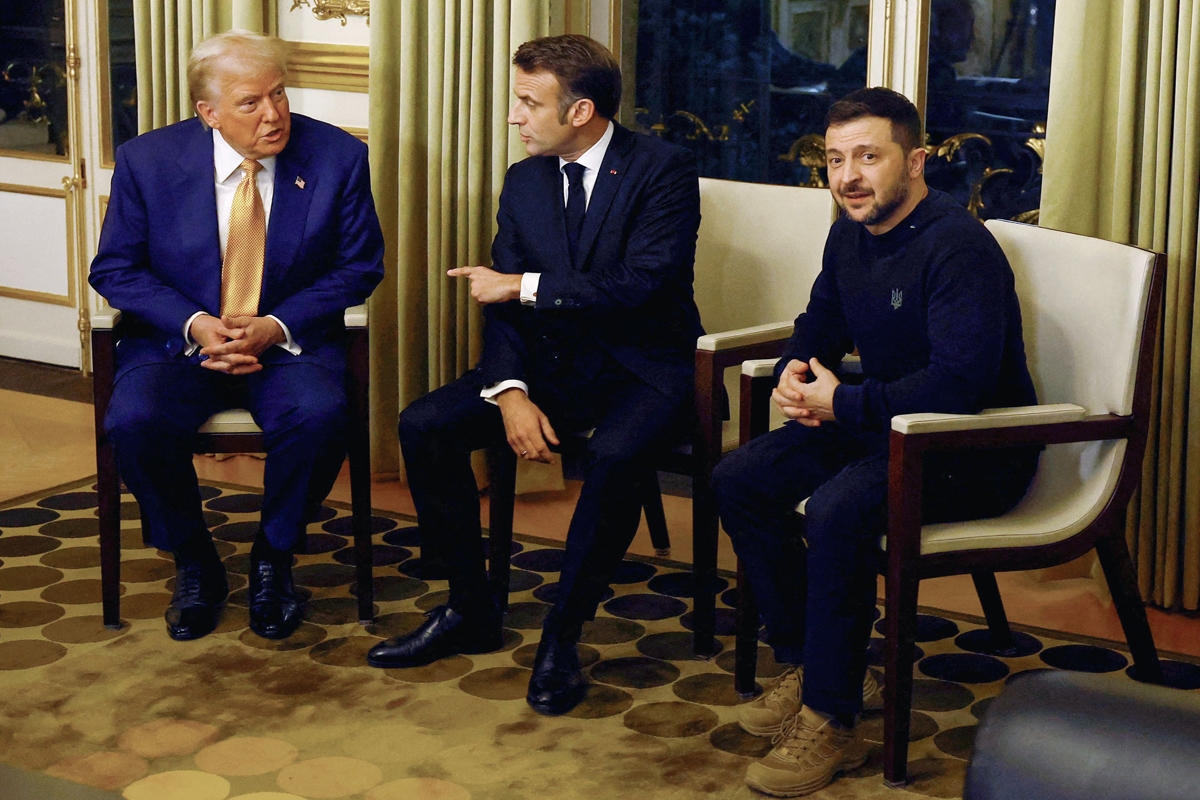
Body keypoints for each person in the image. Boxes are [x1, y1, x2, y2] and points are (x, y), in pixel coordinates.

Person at [712, 87, 1039, 797]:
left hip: (975, 448)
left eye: (868, 157)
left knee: (839, 509)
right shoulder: (849, 235)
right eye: (835, 160)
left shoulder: (959, 247)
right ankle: (813, 663)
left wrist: (841, 403)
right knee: (740, 478)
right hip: (884, 427)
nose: (848, 176)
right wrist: (797, 369)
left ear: (915, 162)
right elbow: (821, 320)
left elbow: (959, 385)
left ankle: (832, 719)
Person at [366, 34, 702, 718]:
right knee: (424, 425)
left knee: (613, 458)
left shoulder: (663, 170)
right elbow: (503, 307)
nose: (514, 115)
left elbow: (638, 285)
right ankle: (469, 609)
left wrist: (522, 285)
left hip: (643, 368)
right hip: (549, 366)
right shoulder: (525, 180)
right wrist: (510, 392)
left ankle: (562, 634)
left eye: (528, 102)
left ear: (579, 112)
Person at [89, 30, 385, 643]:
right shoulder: (148, 161)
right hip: (181, 345)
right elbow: (114, 269)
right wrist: (196, 324)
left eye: (278, 94)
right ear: (209, 112)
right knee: (134, 422)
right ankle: (195, 560)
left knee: (320, 416)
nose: (274, 115)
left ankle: (274, 556)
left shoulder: (337, 156)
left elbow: (360, 267)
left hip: (286, 344)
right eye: (251, 102)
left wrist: (274, 326)